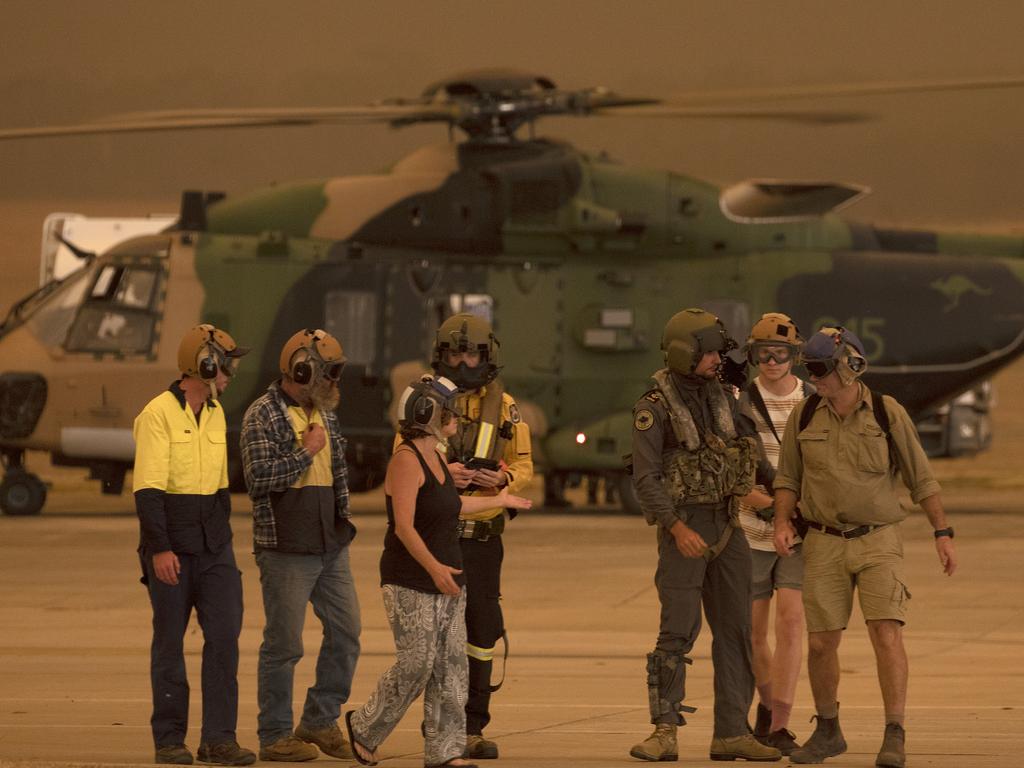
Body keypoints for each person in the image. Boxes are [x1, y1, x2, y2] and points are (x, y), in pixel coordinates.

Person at [773, 326, 958, 768]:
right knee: (820, 643)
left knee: (886, 634)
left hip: (878, 540)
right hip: (822, 543)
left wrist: (942, 532)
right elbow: (788, 478)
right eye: (810, 370)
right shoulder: (804, 416)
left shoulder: (885, 412)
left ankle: (894, 733)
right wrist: (781, 520)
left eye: (820, 370)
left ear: (849, 368)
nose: (813, 378)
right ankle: (829, 730)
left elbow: (921, 477)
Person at [346, 375, 533, 768]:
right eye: (448, 412)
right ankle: (364, 727)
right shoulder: (405, 460)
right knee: (417, 663)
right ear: (427, 414)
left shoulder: (438, 457)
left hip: (450, 576)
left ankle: (445, 751)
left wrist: (499, 498)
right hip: (411, 579)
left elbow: (455, 507)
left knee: (451, 668)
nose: (456, 418)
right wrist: (433, 569)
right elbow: (404, 526)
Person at [627, 308, 781, 763]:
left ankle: (732, 732)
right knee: (677, 631)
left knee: (735, 631)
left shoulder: (726, 399)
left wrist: (788, 495)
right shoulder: (652, 409)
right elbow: (646, 479)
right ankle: (664, 731)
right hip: (685, 530)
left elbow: (753, 456)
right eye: (710, 352)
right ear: (685, 354)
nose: (718, 360)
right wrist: (675, 528)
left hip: (728, 527)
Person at [132, 324, 255, 766]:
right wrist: (160, 549)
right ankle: (169, 739)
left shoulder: (218, 412)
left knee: (224, 637)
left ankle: (218, 739)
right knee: (169, 643)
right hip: (172, 549)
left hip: (213, 548)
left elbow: (220, 488)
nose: (229, 374)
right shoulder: (157, 415)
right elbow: (147, 492)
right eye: (225, 366)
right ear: (203, 365)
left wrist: (222, 540)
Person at [240, 328, 360, 762]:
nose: (335, 382)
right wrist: (305, 453)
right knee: (284, 645)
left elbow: (339, 472)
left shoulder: (324, 413)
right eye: (329, 373)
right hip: (286, 550)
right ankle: (274, 735)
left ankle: (319, 719)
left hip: (330, 546)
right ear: (302, 370)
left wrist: (342, 522)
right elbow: (258, 481)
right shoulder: (263, 415)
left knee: (347, 635)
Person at [431, 313, 534, 760]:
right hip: (440, 538)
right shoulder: (426, 401)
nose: (464, 361)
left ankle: (474, 727)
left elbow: (526, 466)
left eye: (472, 352)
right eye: (455, 352)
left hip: (485, 540)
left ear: (487, 355)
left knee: (481, 632)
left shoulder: (505, 406)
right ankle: (439, 727)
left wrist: (506, 478)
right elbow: (402, 456)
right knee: (436, 638)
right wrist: (442, 474)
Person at [735, 313, 812, 756]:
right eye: (763, 353)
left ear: (795, 357)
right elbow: (735, 470)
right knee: (752, 631)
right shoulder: (740, 403)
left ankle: (780, 721)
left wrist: (795, 514)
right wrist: (767, 505)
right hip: (751, 529)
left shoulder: (811, 402)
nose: (771, 361)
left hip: (800, 532)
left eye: (781, 353)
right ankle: (766, 706)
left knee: (792, 623)